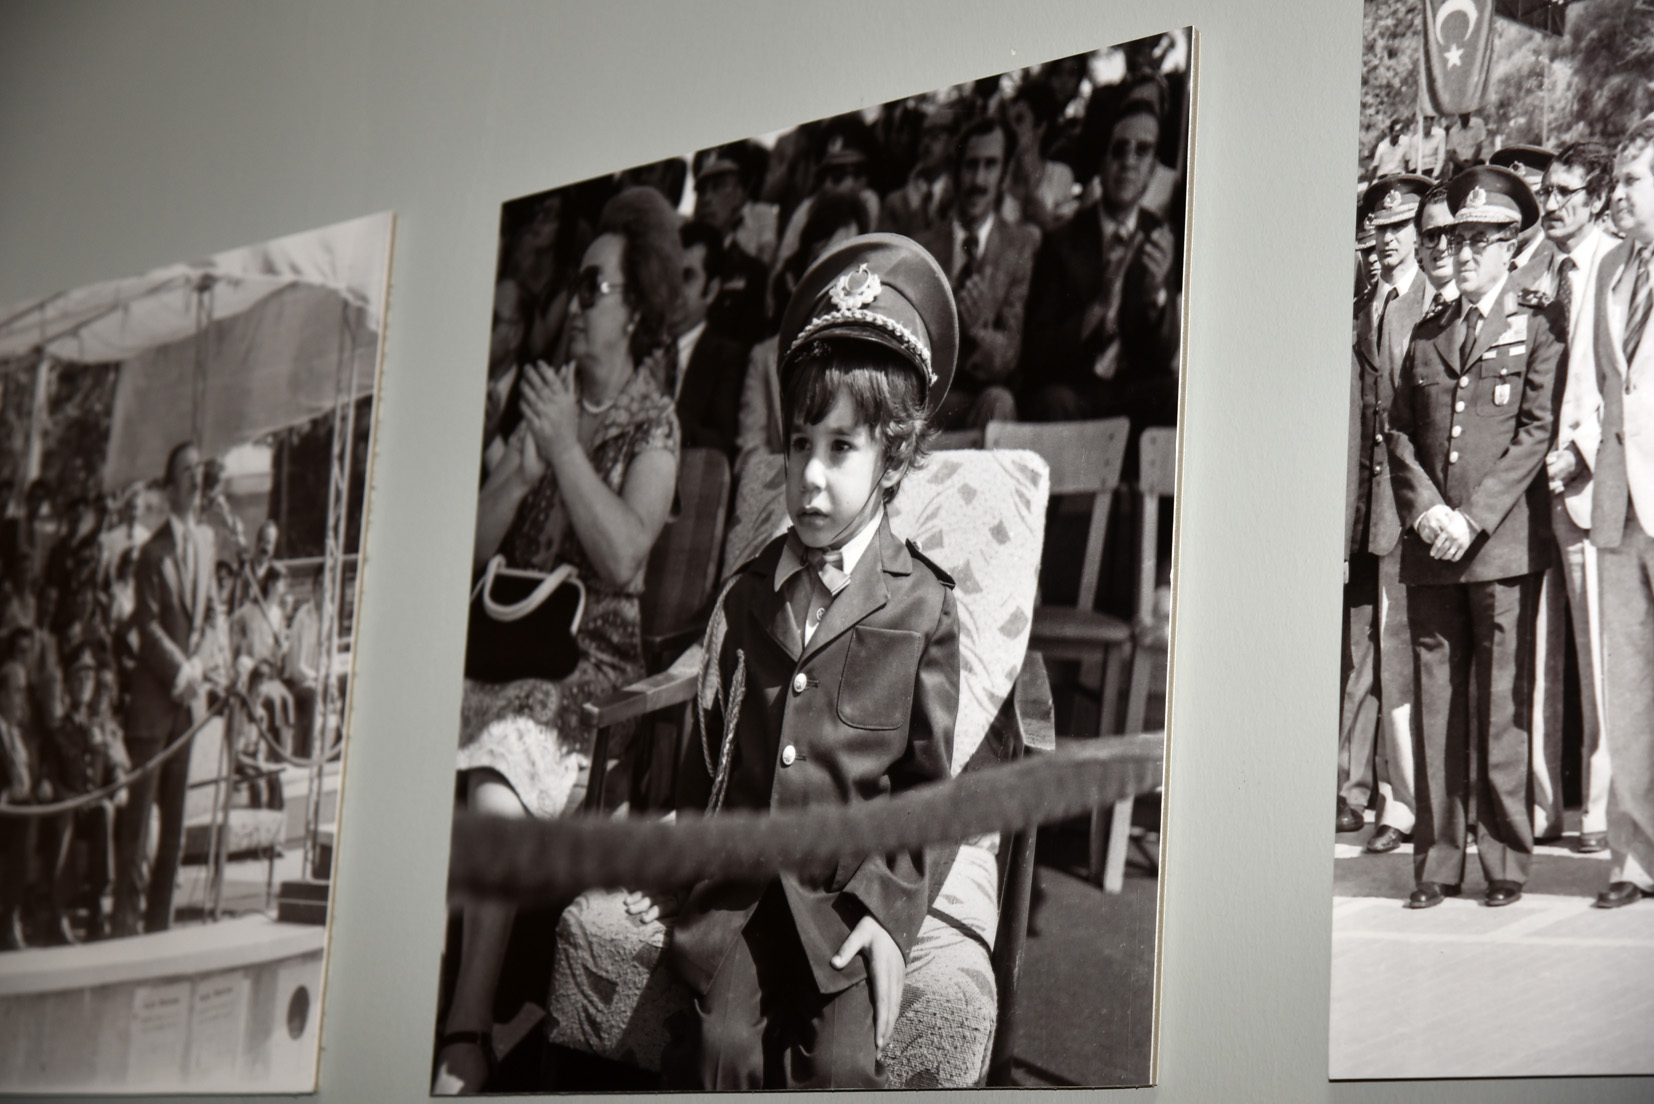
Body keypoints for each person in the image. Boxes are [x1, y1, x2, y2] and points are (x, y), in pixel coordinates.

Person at [649, 233, 959, 1090]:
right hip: (742, 896)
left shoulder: (923, 605)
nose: (811, 477)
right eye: (799, 445)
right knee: (719, 1049)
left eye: (842, 448)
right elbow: (709, 745)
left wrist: (889, 916)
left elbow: (930, 791)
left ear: (895, 457)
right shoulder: (749, 593)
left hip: (846, 902)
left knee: (841, 1066)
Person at [435, 186, 684, 1094]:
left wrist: (569, 453)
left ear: (638, 307)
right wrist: (522, 468)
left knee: (500, 765)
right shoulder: (545, 400)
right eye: (574, 287)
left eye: (594, 288)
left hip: (589, 675)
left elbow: (623, 555)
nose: (574, 305)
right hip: (504, 648)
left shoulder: (654, 422)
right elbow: (465, 551)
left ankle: (466, 1028)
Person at [1385, 166, 1565, 910]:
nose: (1460, 254)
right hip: (1432, 548)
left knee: (1498, 706)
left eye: (1479, 241)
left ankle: (1503, 861)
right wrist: (1426, 509)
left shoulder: (1536, 325)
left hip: (1500, 545)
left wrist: (1473, 517)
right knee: (1437, 707)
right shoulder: (1428, 332)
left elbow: (1535, 433)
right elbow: (1399, 431)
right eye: (1454, 240)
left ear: (1510, 247)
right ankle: (1435, 862)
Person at [1531, 142, 1618, 852]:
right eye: (1547, 190)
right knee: (1534, 662)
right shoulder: (1535, 269)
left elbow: (1627, 380)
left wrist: (1580, 452)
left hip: (1591, 485)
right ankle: (1539, 808)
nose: (1551, 202)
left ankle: (1601, 810)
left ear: (1598, 197)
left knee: (1599, 659)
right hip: (1530, 494)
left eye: (1565, 192)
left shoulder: (1620, 268)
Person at [1342, 175, 1433, 852]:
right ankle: (1355, 790)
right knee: (1362, 650)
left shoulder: (1431, 302)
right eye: (1380, 228)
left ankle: (1400, 802)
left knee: (1397, 654)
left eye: (1400, 227)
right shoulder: (1365, 305)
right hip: (1364, 504)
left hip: (1409, 502)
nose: (1388, 239)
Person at [112, 440, 225, 937]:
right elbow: (147, 623)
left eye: (200, 469)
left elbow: (214, 616)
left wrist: (199, 666)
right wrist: (181, 671)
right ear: (170, 486)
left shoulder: (206, 541)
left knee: (174, 829)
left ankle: (159, 928)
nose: (196, 478)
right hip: (155, 706)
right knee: (138, 828)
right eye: (186, 471)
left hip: (186, 709)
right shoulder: (150, 553)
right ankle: (122, 927)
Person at [1020, 98, 1180, 431]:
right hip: (1077, 390)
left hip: (1130, 389)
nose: (1128, 162)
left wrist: (1156, 299)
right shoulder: (1062, 241)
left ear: (1153, 169)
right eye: (1119, 150)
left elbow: (1162, 358)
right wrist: (1097, 309)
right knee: (1053, 402)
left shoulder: (1159, 236)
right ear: (1102, 161)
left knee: (1175, 395)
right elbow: (1036, 353)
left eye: (1142, 151)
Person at [1587, 118, 1654, 909]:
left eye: (1634, 180)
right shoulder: (1610, 269)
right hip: (1620, 506)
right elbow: (1604, 385)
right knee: (1629, 690)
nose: (1619, 194)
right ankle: (1633, 855)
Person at [915, 116, 1038, 430]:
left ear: (1004, 174)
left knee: (999, 401)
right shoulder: (923, 247)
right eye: (970, 165)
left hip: (981, 398)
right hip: (929, 397)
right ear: (956, 171)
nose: (978, 180)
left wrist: (980, 329)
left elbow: (1009, 357)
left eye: (990, 165)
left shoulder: (1019, 246)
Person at [735, 192, 870, 469]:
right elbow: (751, 456)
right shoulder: (764, 357)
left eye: (851, 263)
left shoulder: (877, 353)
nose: (840, 279)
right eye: (826, 262)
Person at [41, 640, 125, 944]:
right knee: (63, 821)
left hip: (92, 807)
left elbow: (113, 766)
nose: (85, 684)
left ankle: (97, 907)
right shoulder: (57, 731)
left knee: (105, 812)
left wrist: (118, 781)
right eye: (78, 677)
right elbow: (49, 775)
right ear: (67, 684)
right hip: (66, 806)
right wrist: (62, 794)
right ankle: (59, 913)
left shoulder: (100, 726)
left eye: (89, 677)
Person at [667, 221, 752, 458]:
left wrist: (665, 406)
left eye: (687, 277)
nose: (674, 289)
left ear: (712, 290)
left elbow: (719, 446)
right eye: (670, 275)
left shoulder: (727, 358)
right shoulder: (641, 346)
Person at [692, 145, 775, 347]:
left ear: (739, 194)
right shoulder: (684, 261)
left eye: (718, 187)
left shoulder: (751, 271)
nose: (706, 199)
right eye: (702, 191)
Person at [878, 103, 957, 238]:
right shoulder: (896, 202)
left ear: (951, 144)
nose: (927, 143)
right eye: (924, 136)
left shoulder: (958, 196)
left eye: (936, 137)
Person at [0, 654, 36, 950]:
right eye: (16, 691)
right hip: (5, 816)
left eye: (24, 691)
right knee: (25, 819)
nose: (22, 698)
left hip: (23, 814)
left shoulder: (22, 733)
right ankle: (10, 916)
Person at [1492, 145, 1557, 288]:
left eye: (1526, 198)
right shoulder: (1488, 261)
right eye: (1507, 198)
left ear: (1544, 201)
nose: (1514, 210)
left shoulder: (1556, 261)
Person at [1446, 112, 1488, 177]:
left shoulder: (1478, 124)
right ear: (1459, 116)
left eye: (1466, 115)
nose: (1464, 117)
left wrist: (1471, 163)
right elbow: (1450, 153)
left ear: (1469, 113)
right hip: (1460, 165)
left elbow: (1479, 146)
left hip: (1477, 162)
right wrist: (1463, 165)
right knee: (1454, 180)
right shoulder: (1453, 131)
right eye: (1461, 115)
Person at [1411, 115, 1448, 179]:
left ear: (1432, 122)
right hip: (1420, 173)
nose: (1424, 125)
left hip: (1434, 170)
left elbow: (1441, 158)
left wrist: (1434, 175)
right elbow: (1413, 162)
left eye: (1426, 121)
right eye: (1421, 122)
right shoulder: (1415, 139)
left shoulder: (1440, 134)